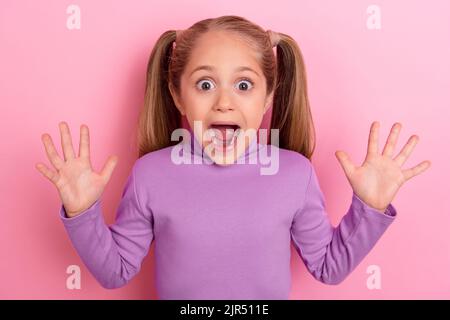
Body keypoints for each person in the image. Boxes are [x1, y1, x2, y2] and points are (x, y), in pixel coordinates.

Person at [35, 15, 431, 299]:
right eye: (205, 84)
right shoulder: (150, 175)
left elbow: (329, 269)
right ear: (178, 96)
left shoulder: (295, 174)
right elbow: (115, 272)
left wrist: (370, 207)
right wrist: (82, 210)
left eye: (244, 84)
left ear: (268, 98)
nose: (224, 102)